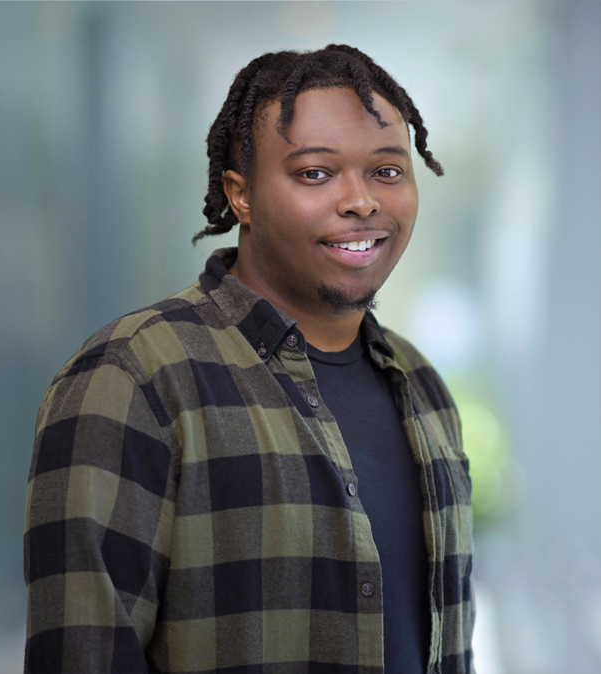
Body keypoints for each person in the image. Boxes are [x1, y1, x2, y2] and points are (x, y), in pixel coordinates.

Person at [24, 45, 475, 673]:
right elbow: (82, 656)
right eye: (315, 173)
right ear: (241, 196)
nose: (362, 202)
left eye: (387, 171)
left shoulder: (422, 386)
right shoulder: (133, 378)